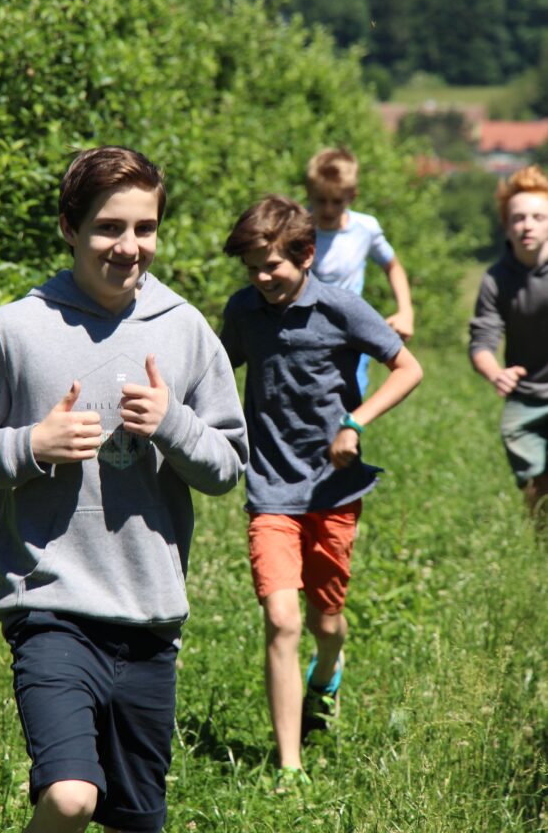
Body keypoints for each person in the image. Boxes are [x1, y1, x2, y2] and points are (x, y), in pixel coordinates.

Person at [0, 145, 248, 833]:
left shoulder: (184, 329)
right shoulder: (15, 330)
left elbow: (226, 468)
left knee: (135, 822)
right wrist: (30, 445)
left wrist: (173, 424)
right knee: (69, 798)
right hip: (51, 608)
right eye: (108, 228)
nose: (129, 246)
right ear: (69, 227)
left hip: (151, 617)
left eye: (145, 228)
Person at [220, 195, 422, 789]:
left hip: (332, 491)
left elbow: (409, 368)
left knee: (325, 623)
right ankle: (290, 765)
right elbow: (217, 373)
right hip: (269, 488)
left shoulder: (340, 308)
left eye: (272, 266)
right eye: (252, 269)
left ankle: (326, 676)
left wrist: (354, 423)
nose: (261, 279)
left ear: (306, 255)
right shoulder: (244, 310)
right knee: (282, 620)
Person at [469, 164, 548, 522]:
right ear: (506, 225)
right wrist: (495, 373)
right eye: (518, 218)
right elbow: (481, 341)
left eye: (537, 217)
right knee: (535, 483)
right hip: (525, 397)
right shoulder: (496, 280)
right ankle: (540, 542)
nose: (527, 226)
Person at [305, 146, 414, 394]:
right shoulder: (297, 226)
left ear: (352, 196)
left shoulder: (365, 228)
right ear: (309, 193)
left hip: (350, 330)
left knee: (349, 394)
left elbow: (393, 266)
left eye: (337, 202)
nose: (328, 209)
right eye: (320, 200)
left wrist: (405, 311)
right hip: (305, 327)